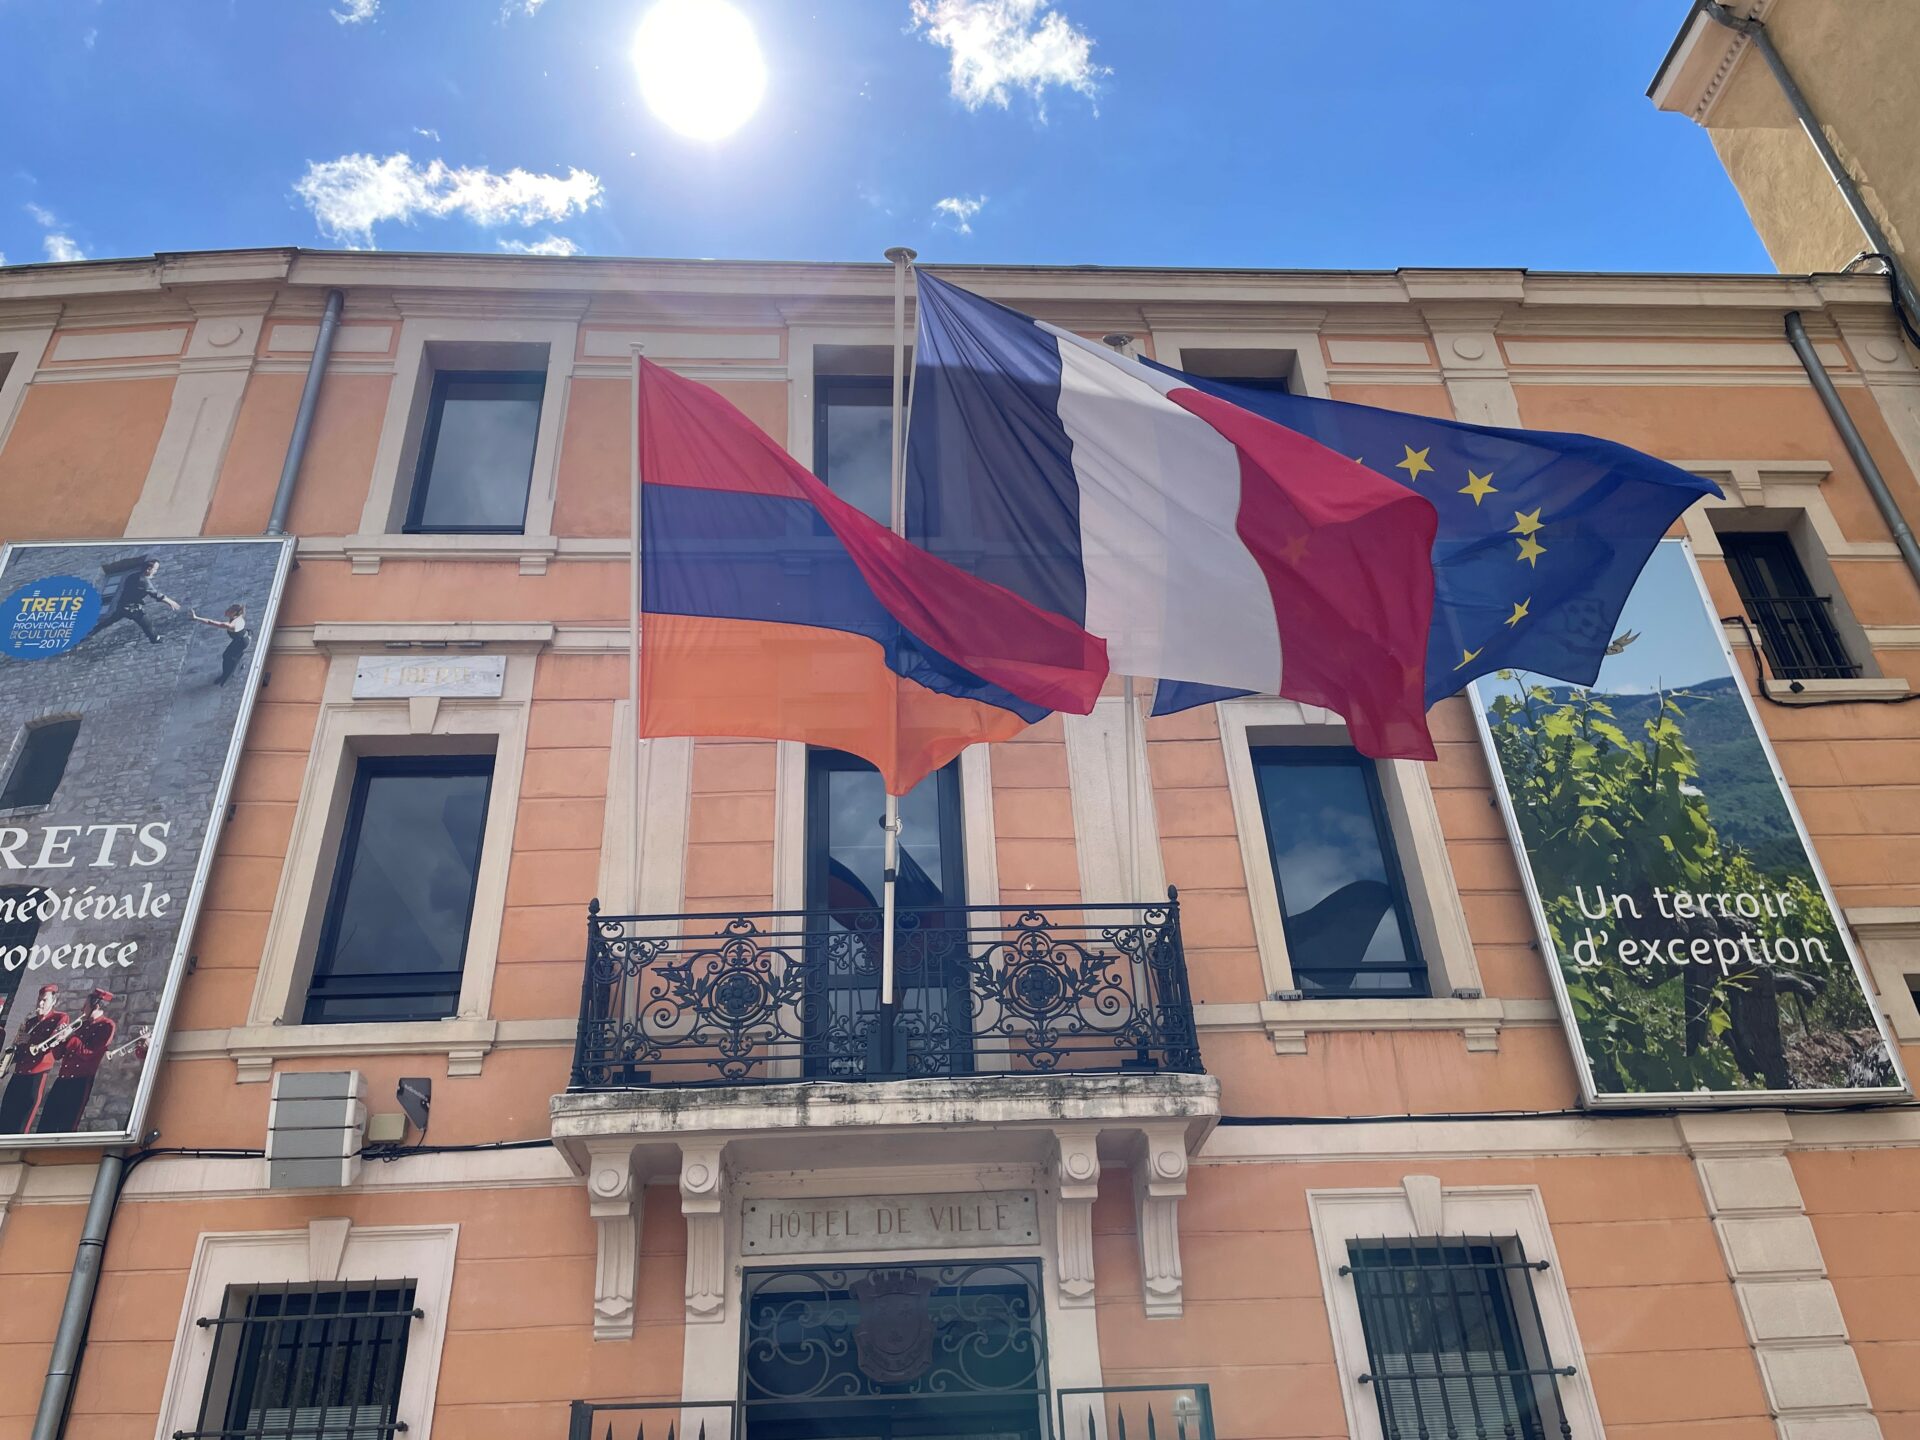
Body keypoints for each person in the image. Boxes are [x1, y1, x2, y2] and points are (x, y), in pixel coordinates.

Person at [34, 988, 115, 1134]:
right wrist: (58, 1039)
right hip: (62, 1079)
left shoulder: (107, 1025)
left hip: (80, 1082)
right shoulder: (81, 1025)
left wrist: (70, 1037)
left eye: (86, 1005)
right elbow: (59, 1055)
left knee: (67, 1125)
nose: (82, 1008)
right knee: (46, 1124)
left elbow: (88, 1052)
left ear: (96, 1006)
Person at [0, 984, 69, 1133]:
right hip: (19, 1073)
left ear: (54, 1001)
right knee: (5, 1114)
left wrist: (30, 1039)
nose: (40, 1004)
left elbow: (51, 1042)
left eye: (44, 1000)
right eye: (39, 1000)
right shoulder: (30, 1022)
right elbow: (20, 1049)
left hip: (37, 1073)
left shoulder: (60, 1018)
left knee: (23, 1117)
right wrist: (13, 1051)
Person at [82, 558, 180, 646]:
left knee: (109, 621)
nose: (155, 571)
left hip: (121, 606)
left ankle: (90, 633)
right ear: (148, 569)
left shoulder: (132, 576)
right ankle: (155, 639)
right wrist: (170, 602)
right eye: (155, 569)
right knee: (146, 623)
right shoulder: (144, 581)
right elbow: (156, 594)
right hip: (132, 609)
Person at [189, 603, 250, 685]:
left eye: (230, 609)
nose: (227, 610)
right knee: (229, 655)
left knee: (227, 657)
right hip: (242, 638)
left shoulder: (232, 625)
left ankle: (226, 675)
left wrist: (196, 618)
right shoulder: (238, 617)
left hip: (241, 642)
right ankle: (237, 664)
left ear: (234, 612)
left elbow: (211, 622)